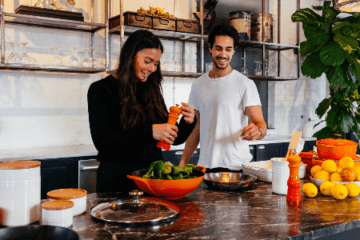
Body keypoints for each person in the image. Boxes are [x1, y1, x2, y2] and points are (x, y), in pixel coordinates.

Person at [87, 30, 197, 194]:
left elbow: (172, 139)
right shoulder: (100, 90)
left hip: (152, 181)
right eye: (148, 61)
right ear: (130, 56)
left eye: (156, 63)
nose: (152, 68)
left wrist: (188, 122)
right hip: (116, 183)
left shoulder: (152, 90)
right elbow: (103, 142)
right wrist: (150, 132)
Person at [179, 23, 267, 172]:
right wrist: (182, 162)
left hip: (237, 166)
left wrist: (258, 131)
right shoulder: (198, 84)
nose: (223, 54)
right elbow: (196, 129)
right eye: (218, 48)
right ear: (210, 48)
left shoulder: (245, 84)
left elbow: (260, 124)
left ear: (234, 51)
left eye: (228, 49)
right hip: (206, 166)